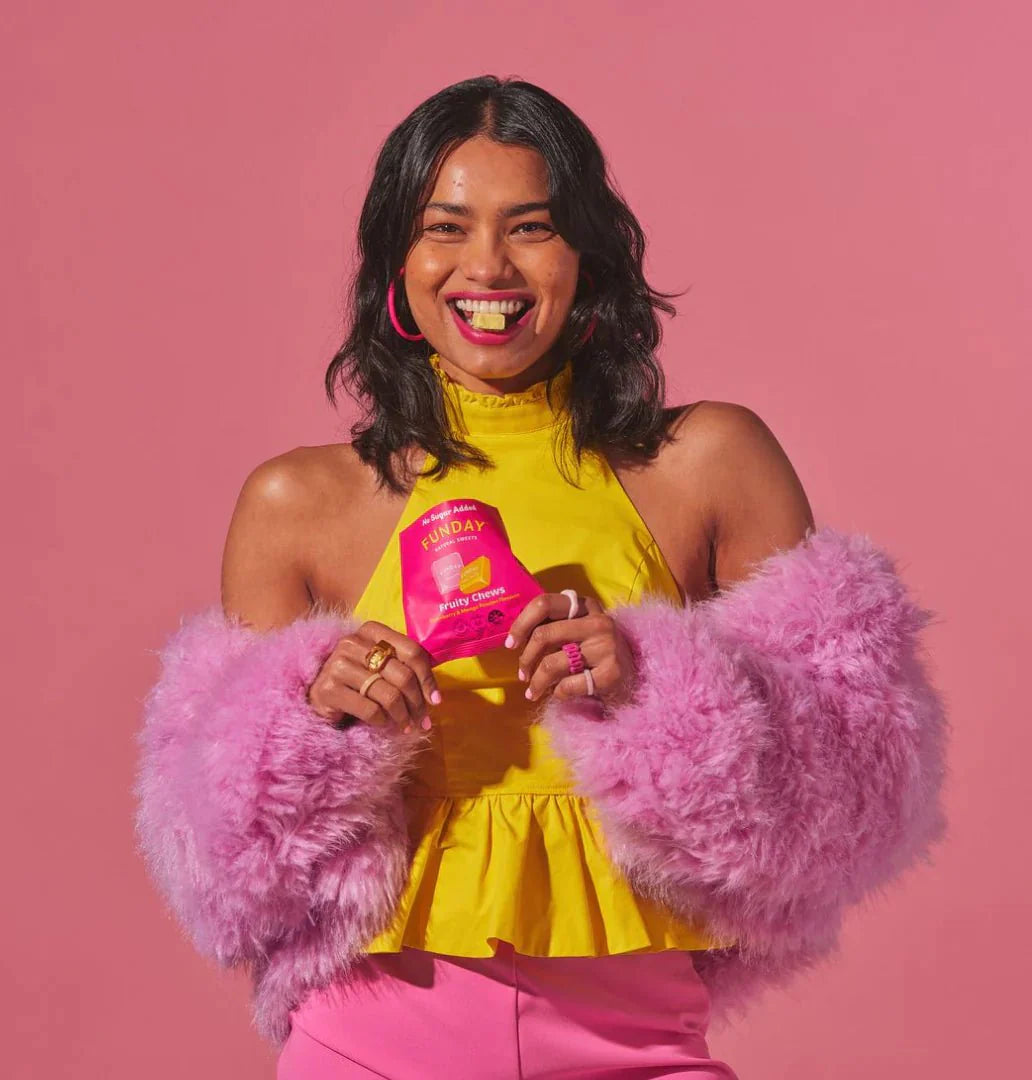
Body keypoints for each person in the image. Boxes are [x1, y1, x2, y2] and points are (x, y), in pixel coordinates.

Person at [133, 76, 949, 1079]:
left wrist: (655, 686)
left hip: (637, 1038)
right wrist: (312, 725)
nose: (487, 266)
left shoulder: (708, 464)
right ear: (398, 259)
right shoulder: (297, 505)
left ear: (585, 259)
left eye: (530, 227)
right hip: (370, 1035)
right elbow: (225, 873)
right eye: (446, 227)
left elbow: (854, 793)